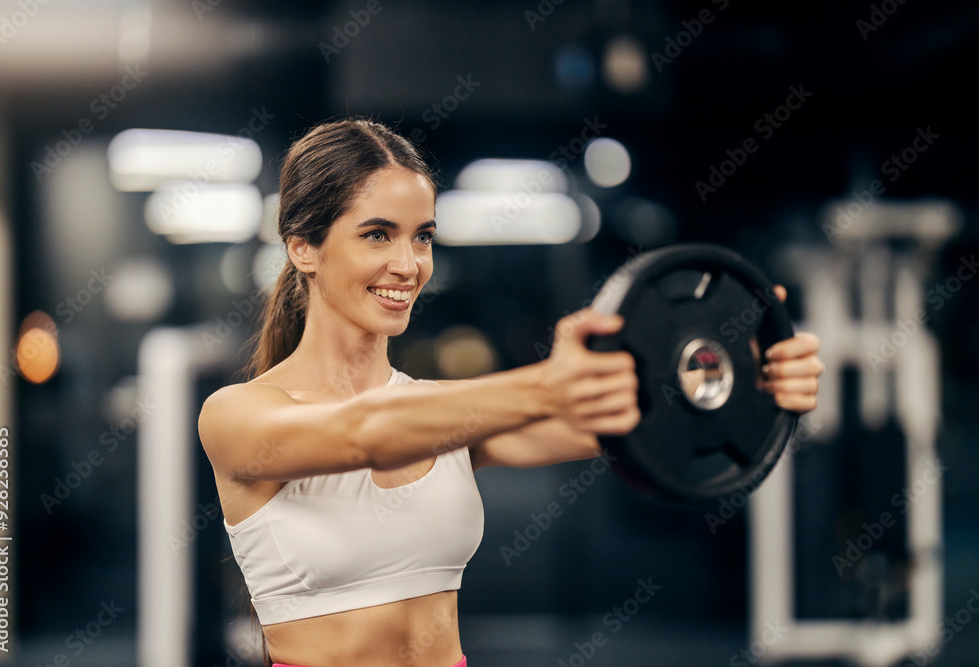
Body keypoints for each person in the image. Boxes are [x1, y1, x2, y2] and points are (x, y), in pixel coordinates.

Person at [197, 118, 824, 667]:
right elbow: (366, 433)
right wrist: (550, 381)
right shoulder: (238, 416)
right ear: (303, 248)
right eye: (377, 234)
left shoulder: (444, 415)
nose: (409, 264)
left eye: (423, 236)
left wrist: (750, 380)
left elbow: (629, 423)